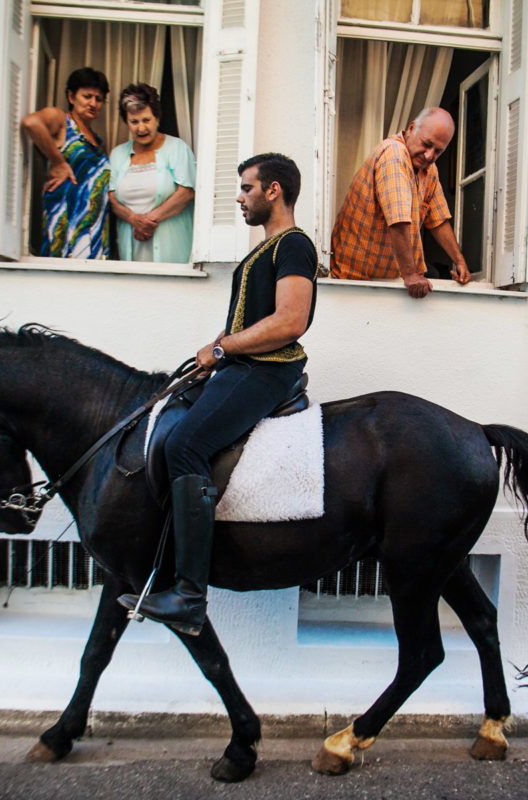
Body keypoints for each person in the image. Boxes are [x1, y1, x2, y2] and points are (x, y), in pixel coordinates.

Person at [118, 153, 319, 636]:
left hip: (269, 371)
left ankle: (189, 595)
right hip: (241, 366)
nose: (239, 196)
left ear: (273, 191)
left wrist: (222, 346)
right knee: (168, 427)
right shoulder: (261, 252)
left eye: (247, 188)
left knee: (187, 445)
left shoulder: (294, 246)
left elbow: (290, 322)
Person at [330, 107, 472, 298]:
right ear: (412, 128)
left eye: (438, 151)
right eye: (426, 144)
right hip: (353, 282)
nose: (429, 155)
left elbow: (438, 219)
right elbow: (398, 220)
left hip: (384, 282)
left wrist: (459, 261)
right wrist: (411, 275)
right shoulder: (395, 154)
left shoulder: (428, 169)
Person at [21, 67, 112, 259]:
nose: (93, 103)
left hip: (94, 232)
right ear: (71, 97)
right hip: (67, 225)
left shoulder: (98, 141)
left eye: (99, 99)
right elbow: (31, 123)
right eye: (87, 96)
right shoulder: (62, 121)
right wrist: (58, 162)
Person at [108, 83, 196, 263]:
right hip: (131, 250)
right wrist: (133, 219)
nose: (141, 128)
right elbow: (112, 199)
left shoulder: (177, 148)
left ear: (157, 118)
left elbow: (186, 192)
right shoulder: (118, 154)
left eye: (146, 120)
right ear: (127, 122)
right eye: (134, 122)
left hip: (172, 250)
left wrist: (148, 221)